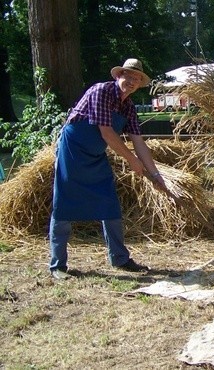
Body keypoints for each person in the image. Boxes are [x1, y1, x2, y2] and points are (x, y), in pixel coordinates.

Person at [49, 58, 168, 280]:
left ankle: (120, 258)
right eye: (128, 76)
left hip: (96, 156)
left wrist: (155, 175)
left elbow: (139, 142)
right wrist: (132, 160)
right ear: (118, 76)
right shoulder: (101, 91)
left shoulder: (129, 108)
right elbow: (106, 133)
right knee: (64, 204)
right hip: (73, 151)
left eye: (136, 79)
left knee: (109, 203)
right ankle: (58, 265)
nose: (131, 82)